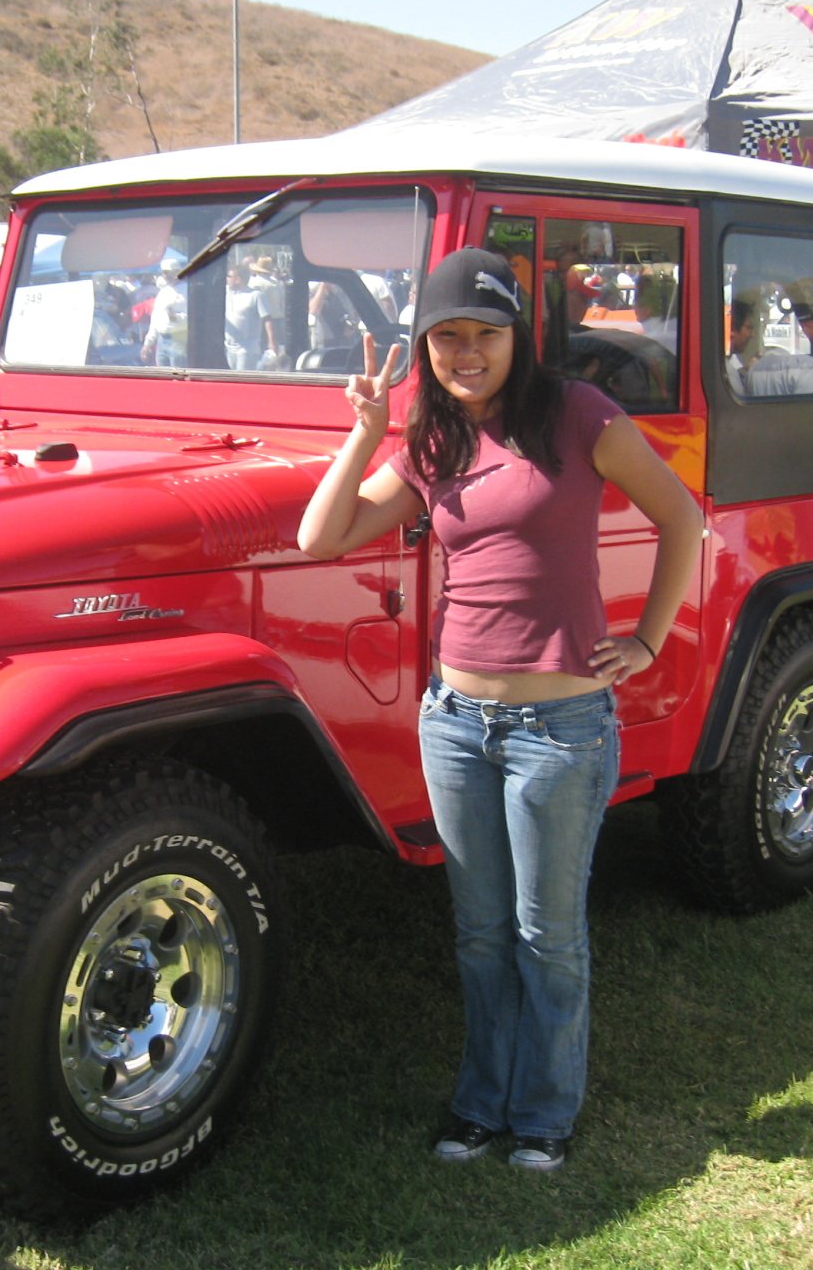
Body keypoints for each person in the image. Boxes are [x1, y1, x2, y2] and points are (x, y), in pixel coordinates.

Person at [297, 248, 702, 1173]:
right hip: (455, 723)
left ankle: (545, 1113)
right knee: (480, 935)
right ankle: (481, 1105)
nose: (465, 353)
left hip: (560, 729)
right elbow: (321, 536)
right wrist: (366, 432)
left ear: (519, 336)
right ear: (426, 348)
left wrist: (646, 641)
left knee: (546, 936)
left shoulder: (580, 415)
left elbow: (682, 518)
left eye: (484, 334)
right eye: (446, 337)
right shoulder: (432, 442)